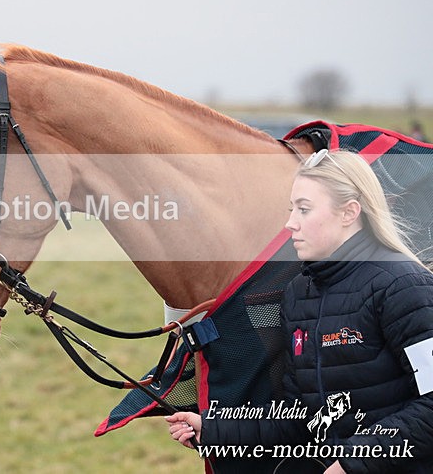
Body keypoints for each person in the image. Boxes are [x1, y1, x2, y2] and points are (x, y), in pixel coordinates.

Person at [167, 149, 433, 473]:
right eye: (292, 209)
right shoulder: (299, 294)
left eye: (304, 209)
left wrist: (353, 462)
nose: (290, 223)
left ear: (349, 212)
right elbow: (300, 417)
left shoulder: (403, 285)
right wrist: (213, 429)